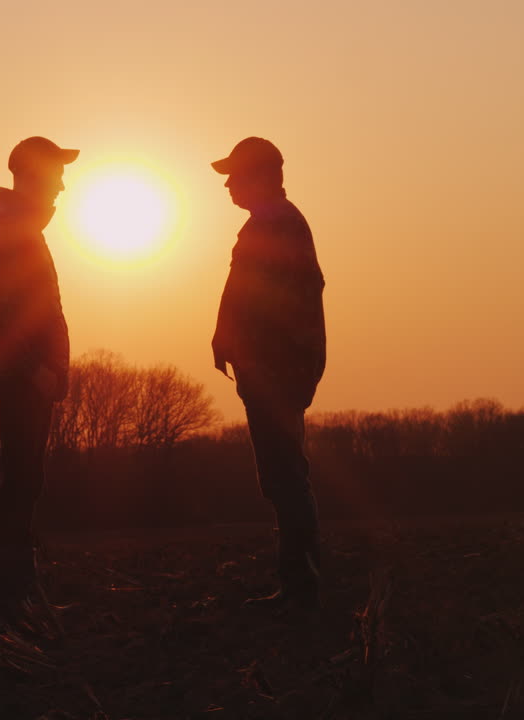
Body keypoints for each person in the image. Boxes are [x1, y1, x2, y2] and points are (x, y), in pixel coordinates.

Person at [212, 137, 327, 612]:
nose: (228, 186)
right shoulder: (270, 224)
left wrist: (252, 355)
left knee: (284, 477)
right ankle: (299, 582)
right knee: (282, 477)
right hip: (270, 370)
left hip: (275, 372)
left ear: (262, 177)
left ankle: (302, 586)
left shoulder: (276, 225)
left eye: (235, 176)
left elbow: (270, 304)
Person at [0, 136, 77, 628]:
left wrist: (54, 369)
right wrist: (36, 369)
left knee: (26, 480)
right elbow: (3, 311)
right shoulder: (10, 229)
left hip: (32, 377)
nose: (63, 182)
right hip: (24, 379)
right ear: (34, 175)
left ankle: (21, 590)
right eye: (57, 171)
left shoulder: (20, 228)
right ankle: (13, 596)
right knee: (21, 481)